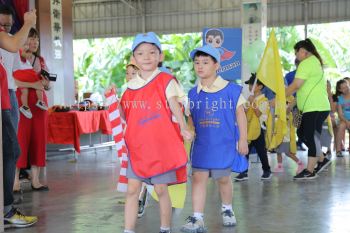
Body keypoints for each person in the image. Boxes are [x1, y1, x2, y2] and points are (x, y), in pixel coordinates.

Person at [121, 32, 192, 233]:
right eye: (141, 53)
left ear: (160, 56)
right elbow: (126, 114)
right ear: (134, 59)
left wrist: (184, 127)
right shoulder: (129, 87)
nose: (147, 57)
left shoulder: (166, 80)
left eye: (152, 52)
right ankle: (128, 230)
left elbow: (173, 104)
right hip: (137, 147)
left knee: (161, 189)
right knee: (132, 190)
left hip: (161, 146)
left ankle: (165, 228)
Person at [180, 45, 248, 232]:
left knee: (223, 179)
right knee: (198, 178)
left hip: (223, 144)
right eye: (196, 62)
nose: (200, 66)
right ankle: (197, 217)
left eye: (205, 62)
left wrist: (243, 139)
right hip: (202, 145)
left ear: (217, 65)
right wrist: (190, 131)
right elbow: (191, 118)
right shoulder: (193, 93)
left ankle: (227, 209)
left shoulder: (231, 90)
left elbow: (241, 114)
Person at [0, 6, 38, 228]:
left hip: (7, 97)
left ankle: (5, 207)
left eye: (7, 25)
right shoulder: (11, 40)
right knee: (11, 150)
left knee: (10, 151)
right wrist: (30, 23)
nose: (5, 29)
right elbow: (15, 44)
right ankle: (6, 208)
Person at [285, 38, 330, 180]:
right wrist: (291, 105)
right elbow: (303, 90)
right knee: (302, 132)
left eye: (296, 52)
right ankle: (322, 159)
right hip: (315, 107)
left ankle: (310, 171)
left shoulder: (306, 63)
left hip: (314, 107)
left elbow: (296, 85)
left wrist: (281, 97)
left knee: (309, 135)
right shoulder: (315, 62)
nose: (296, 56)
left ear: (303, 51)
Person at [13, 27, 51, 192]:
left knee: (38, 140)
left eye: (36, 39)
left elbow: (47, 85)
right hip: (22, 103)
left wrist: (46, 84)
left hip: (39, 105)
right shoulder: (15, 57)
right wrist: (33, 84)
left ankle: (36, 180)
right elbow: (12, 81)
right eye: (30, 38)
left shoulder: (40, 60)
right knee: (20, 140)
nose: (34, 42)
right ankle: (15, 182)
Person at [234, 73, 272, 181]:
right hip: (248, 129)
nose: (250, 86)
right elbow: (245, 112)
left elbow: (259, 113)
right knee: (245, 150)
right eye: (249, 84)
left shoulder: (264, 100)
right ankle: (243, 172)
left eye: (252, 84)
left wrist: (252, 102)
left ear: (260, 86)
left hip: (259, 130)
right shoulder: (249, 98)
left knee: (261, 152)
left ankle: (267, 170)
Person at [13, 42, 48, 119]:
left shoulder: (30, 61)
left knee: (39, 85)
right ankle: (25, 106)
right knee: (25, 91)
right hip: (21, 77)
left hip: (29, 77)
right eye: (24, 45)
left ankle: (40, 101)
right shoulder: (16, 57)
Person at [272, 96, 304, 174]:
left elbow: (289, 110)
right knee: (278, 150)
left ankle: (300, 163)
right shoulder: (278, 104)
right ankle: (280, 166)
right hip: (278, 133)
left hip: (285, 134)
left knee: (288, 152)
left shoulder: (289, 108)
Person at [335, 78, 350, 157]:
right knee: (341, 126)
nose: (346, 89)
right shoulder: (340, 98)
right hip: (344, 119)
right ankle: (338, 150)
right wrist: (347, 121)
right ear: (340, 90)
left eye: (347, 86)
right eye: (343, 88)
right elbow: (340, 114)